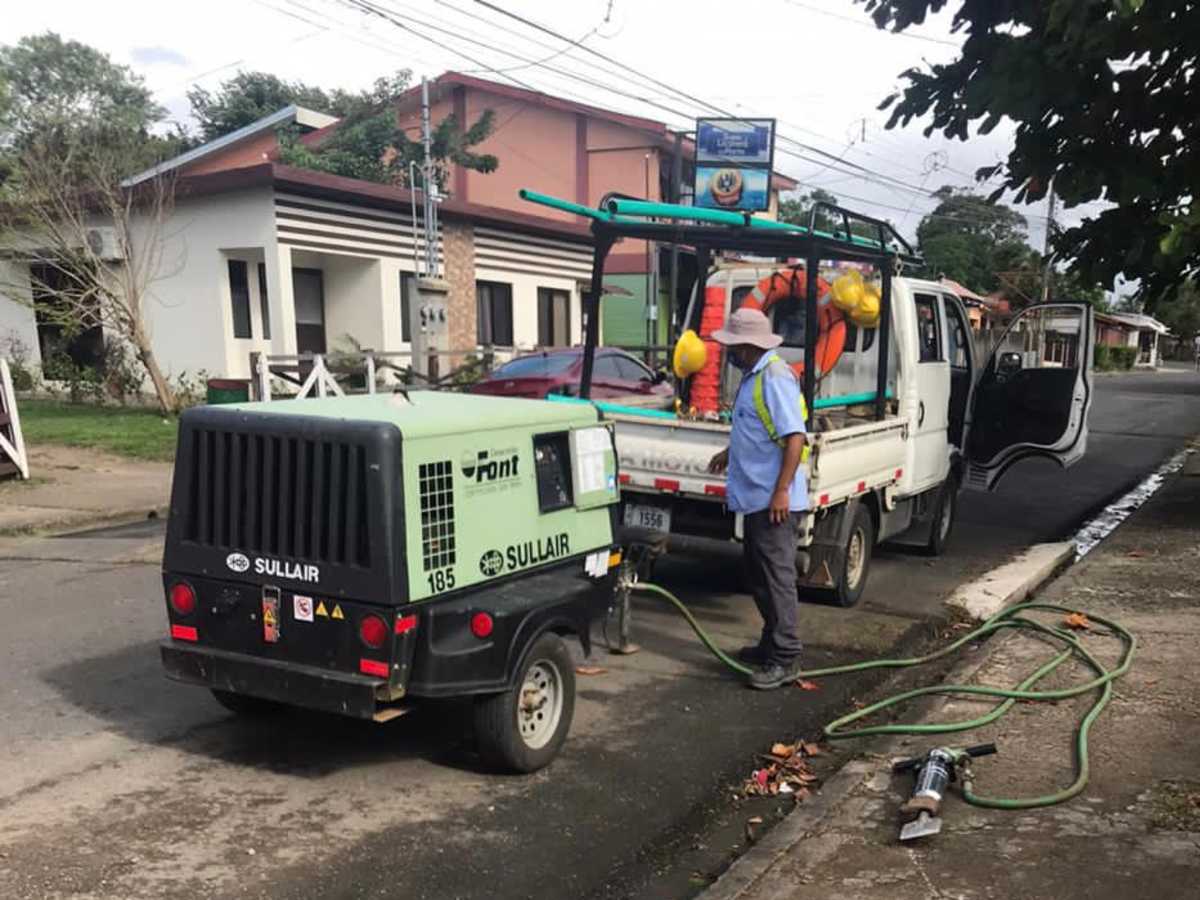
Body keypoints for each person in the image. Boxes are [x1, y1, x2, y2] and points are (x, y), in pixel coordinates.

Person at [707, 308, 808, 690]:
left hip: (773, 501)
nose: (729, 352)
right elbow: (757, 430)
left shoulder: (775, 377)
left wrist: (781, 489)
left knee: (777, 577)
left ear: (746, 346)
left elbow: (794, 436)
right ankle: (772, 643)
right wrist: (728, 453)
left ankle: (786, 657)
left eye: (732, 346)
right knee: (759, 575)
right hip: (755, 498)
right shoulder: (754, 377)